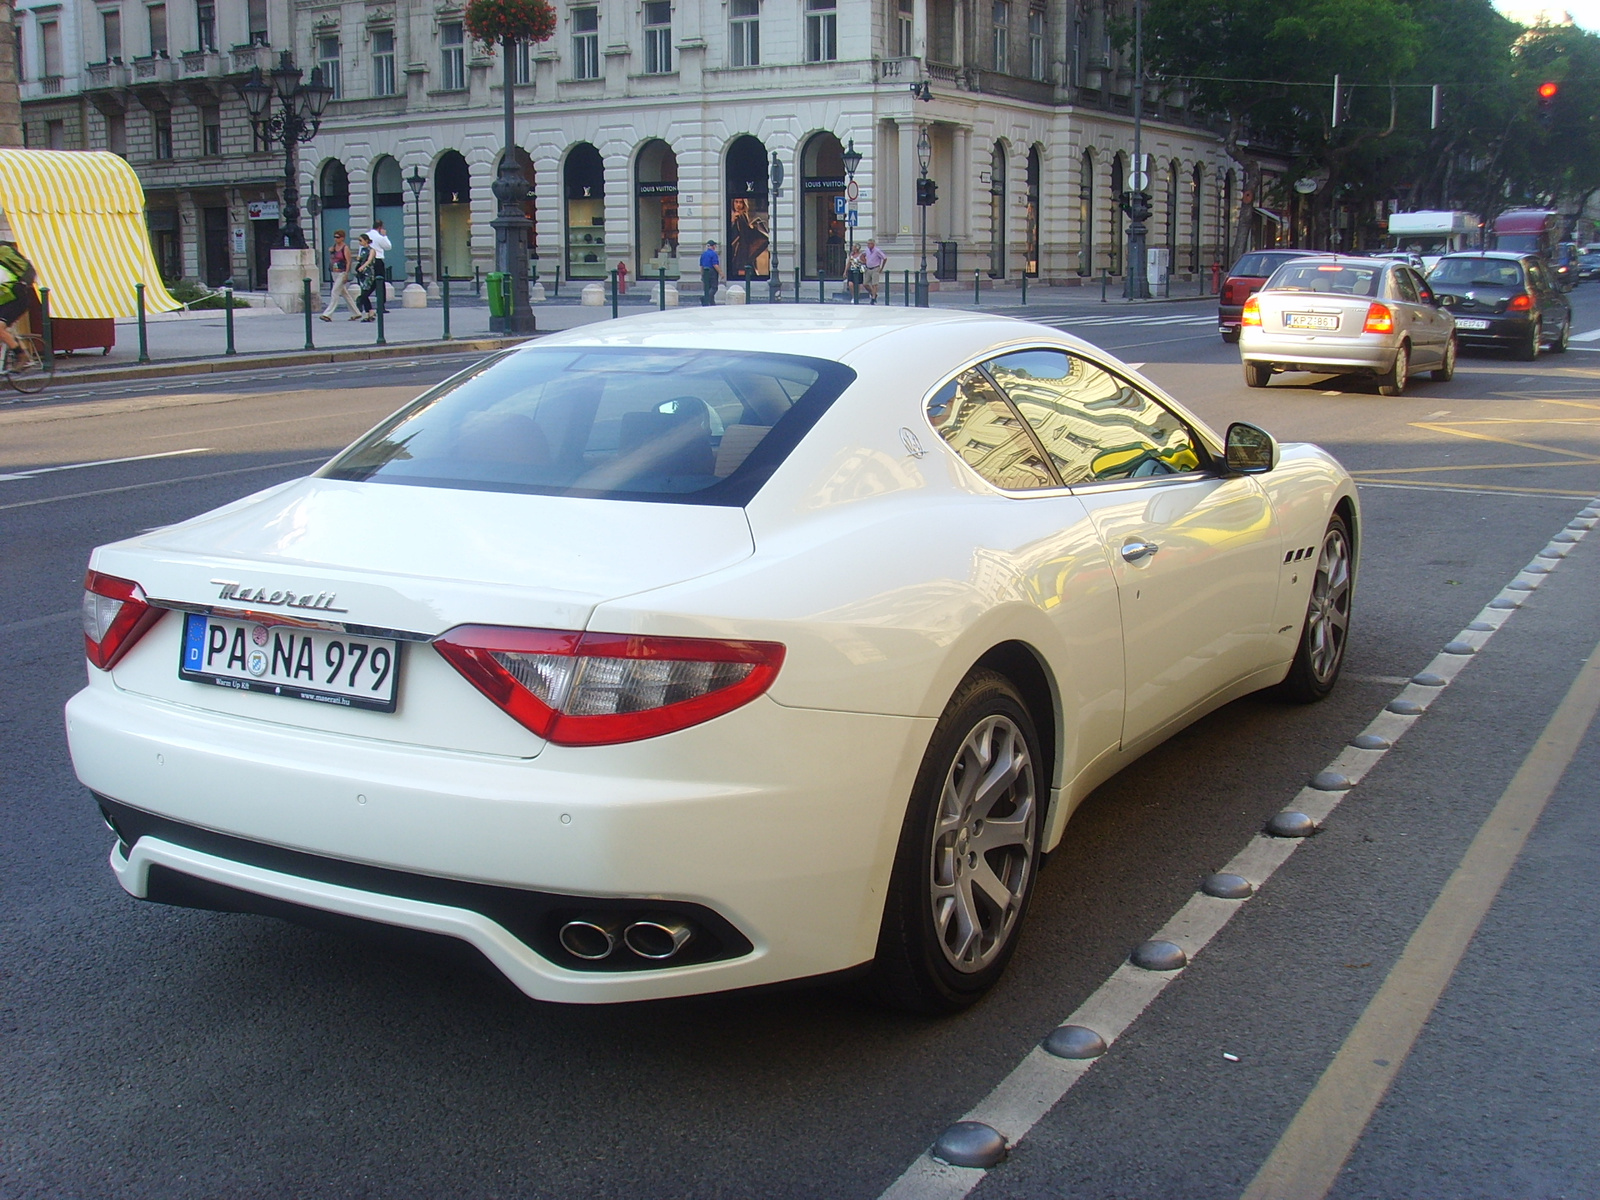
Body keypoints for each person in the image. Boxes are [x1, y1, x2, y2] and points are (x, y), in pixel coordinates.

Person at [0, 241, 38, 357]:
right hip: (4, 299)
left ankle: (21, 355)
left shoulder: (3, 251)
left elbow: (27, 268)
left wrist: (24, 283)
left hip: (16, 296)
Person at [319, 229, 356, 321]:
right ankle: (356, 312)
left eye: (338, 237)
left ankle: (328, 314)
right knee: (344, 293)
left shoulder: (345, 248)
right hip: (334, 271)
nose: (336, 239)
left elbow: (348, 261)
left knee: (335, 291)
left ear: (342, 238)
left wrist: (346, 273)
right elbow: (332, 258)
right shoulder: (334, 247)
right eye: (335, 237)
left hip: (342, 272)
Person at [352, 233, 378, 321]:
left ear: (366, 240)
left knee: (365, 293)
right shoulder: (362, 250)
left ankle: (369, 311)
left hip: (368, 273)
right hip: (362, 274)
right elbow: (360, 259)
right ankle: (370, 312)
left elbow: (369, 260)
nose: (359, 242)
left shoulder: (372, 250)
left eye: (361, 240)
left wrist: (363, 266)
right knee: (364, 292)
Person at [365, 218, 392, 289]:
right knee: (379, 280)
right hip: (377, 260)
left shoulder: (365, 235)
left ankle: (364, 297)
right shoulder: (379, 237)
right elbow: (388, 246)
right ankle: (381, 298)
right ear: (380, 228)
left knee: (368, 281)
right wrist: (384, 236)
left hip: (366, 260)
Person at [862, 238, 888, 304]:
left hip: (875, 268)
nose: (868, 245)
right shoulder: (867, 250)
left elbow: (884, 258)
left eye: (869, 244)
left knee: (874, 284)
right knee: (865, 283)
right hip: (868, 268)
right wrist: (864, 261)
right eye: (867, 244)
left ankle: (873, 298)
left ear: (873, 244)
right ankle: (873, 293)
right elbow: (862, 255)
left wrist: (881, 268)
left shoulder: (877, 251)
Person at [699, 239, 722, 306]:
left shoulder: (703, 254)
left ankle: (712, 303)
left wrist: (702, 274)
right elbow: (715, 265)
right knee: (714, 287)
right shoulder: (713, 254)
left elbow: (701, 266)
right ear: (713, 246)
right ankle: (705, 298)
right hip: (712, 271)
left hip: (705, 272)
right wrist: (721, 272)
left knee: (708, 288)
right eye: (715, 246)